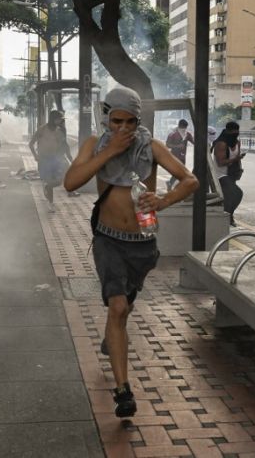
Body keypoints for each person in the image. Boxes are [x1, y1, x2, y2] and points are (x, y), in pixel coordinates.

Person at [64, 87, 198, 419]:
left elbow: (190, 180)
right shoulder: (94, 145)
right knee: (118, 306)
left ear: (139, 121)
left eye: (130, 122)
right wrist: (107, 153)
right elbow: (70, 181)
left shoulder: (151, 147)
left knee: (125, 306)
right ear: (106, 118)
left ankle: (114, 337)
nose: (123, 129)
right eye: (116, 121)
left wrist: (163, 201)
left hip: (142, 244)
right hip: (108, 240)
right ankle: (123, 390)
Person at [29, 110, 72, 213]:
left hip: (54, 159)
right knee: (48, 181)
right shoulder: (42, 129)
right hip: (43, 160)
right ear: (53, 119)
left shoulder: (59, 131)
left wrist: (70, 158)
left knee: (57, 181)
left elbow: (65, 146)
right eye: (59, 119)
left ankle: (47, 188)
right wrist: (35, 156)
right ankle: (50, 203)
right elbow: (31, 144)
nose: (61, 121)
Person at [211, 121, 244, 227]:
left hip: (230, 174)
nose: (236, 134)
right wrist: (236, 159)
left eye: (237, 132)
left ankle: (228, 216)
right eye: (234, 132)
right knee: (237, 193)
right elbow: (220, 163)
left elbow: (237, 158)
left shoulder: (237, 142)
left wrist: (239, 169)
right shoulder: (221, 144)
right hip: (219, 175)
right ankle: (226, 217)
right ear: (228, 131)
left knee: (230, 198)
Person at [165, 119, 194, 191]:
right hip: (174, 156)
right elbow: (167, 145)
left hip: (183, 156)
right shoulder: (173, 134)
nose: (183, 129)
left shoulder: (187, 134)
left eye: (185, 128)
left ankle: (170, 183)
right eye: (182, 128)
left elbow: (194, 142)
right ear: (179, 126)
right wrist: (177, 146)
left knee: (180, 172)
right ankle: (179, 188)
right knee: (180, 172)